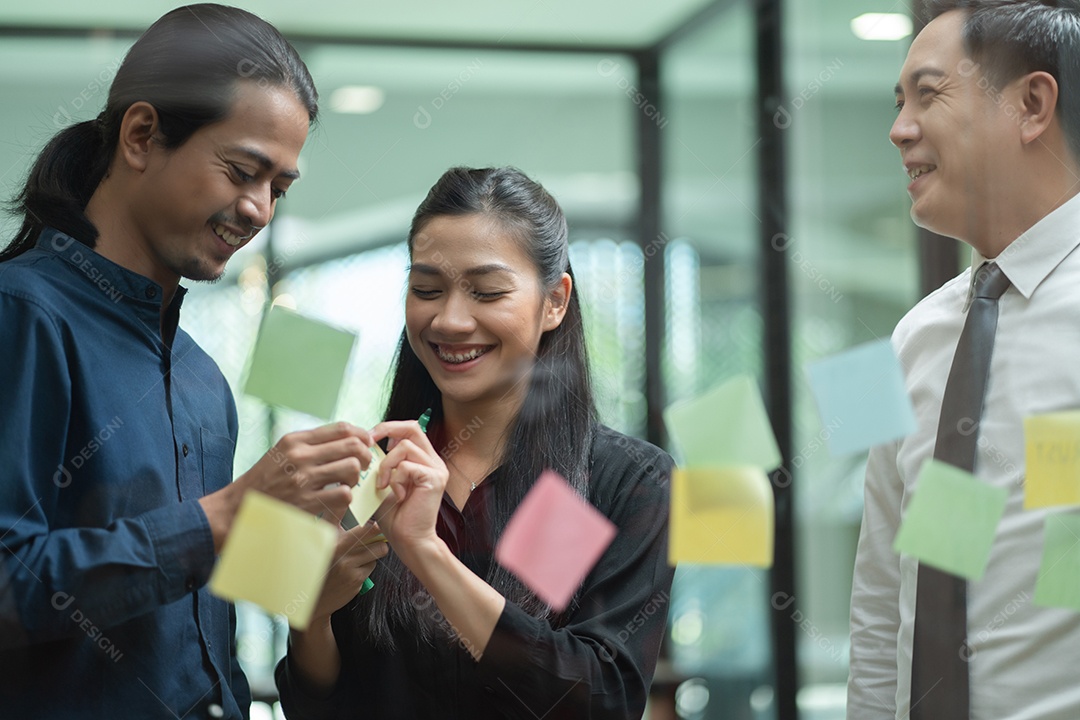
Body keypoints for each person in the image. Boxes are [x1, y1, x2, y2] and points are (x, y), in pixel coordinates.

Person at [0, 5, 385, 719]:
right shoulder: (23, 315)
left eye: (281, 187)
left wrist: (309, 559)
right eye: (243, 171)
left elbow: (192, 621)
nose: (262, 208)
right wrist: (225, 516)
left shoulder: (205, 379)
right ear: (142, 136)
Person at [275, 166, 675, 719]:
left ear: (555, 302)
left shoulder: (622, 481)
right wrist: (311, 616)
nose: (450, 319)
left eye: (487, 292)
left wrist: (427, 553)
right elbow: (316, 706)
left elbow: (600, 699)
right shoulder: (368, 476)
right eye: (426, 290)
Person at [848, 1, 1080, 719]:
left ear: (1032, 104)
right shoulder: (915, 337)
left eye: (929, 93)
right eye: (899, 102)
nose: (898, 130)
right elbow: (886, 593)